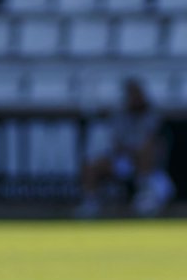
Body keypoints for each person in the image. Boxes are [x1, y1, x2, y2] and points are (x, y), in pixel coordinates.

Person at [74, 77, 177, 217]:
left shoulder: (152, 116)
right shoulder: (120, 115)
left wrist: (137, 152)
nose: (135, 99)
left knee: (145, 150)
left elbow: (152, 142)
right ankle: (91, 202)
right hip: (124, 161)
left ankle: (144, 193)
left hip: (150, 168)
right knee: (91, 165)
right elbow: (117, 144)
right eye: (131, 95)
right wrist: (129, 151)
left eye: (137, 95)